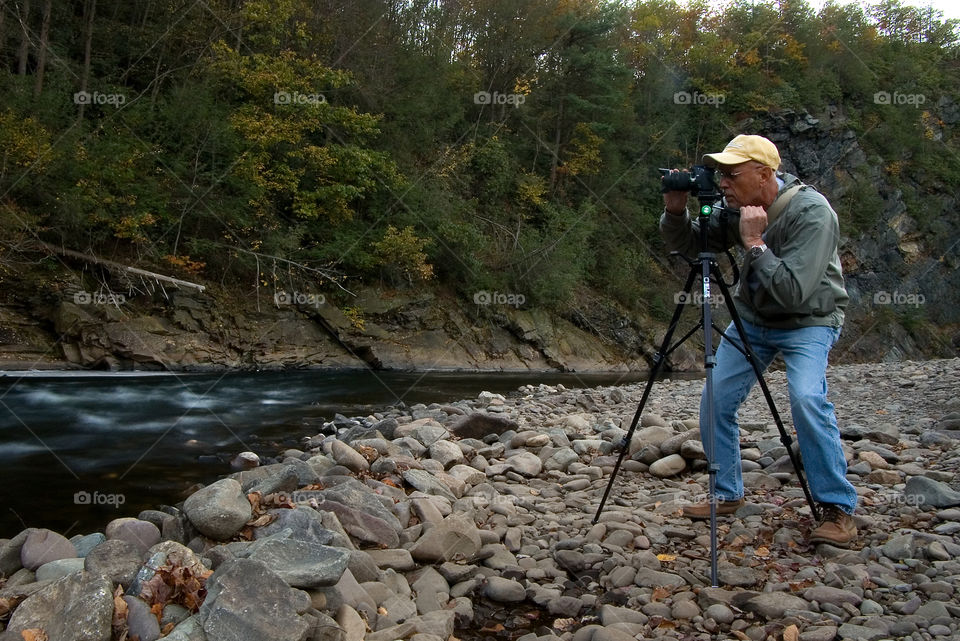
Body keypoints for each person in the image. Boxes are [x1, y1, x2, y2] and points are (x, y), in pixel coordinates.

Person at [659, 134, 857, 548]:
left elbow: (792, 292)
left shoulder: (812, 213)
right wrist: (675, 213)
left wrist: (753, 241)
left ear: (764, 174)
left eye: (732, 174)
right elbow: (693, 245)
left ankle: (838, 507)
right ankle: (726, 493)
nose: (724, 182)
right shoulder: (736, 208)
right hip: (754, 318)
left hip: (809, 320)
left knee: (806, 400)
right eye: (721, 174)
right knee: (715, 399)